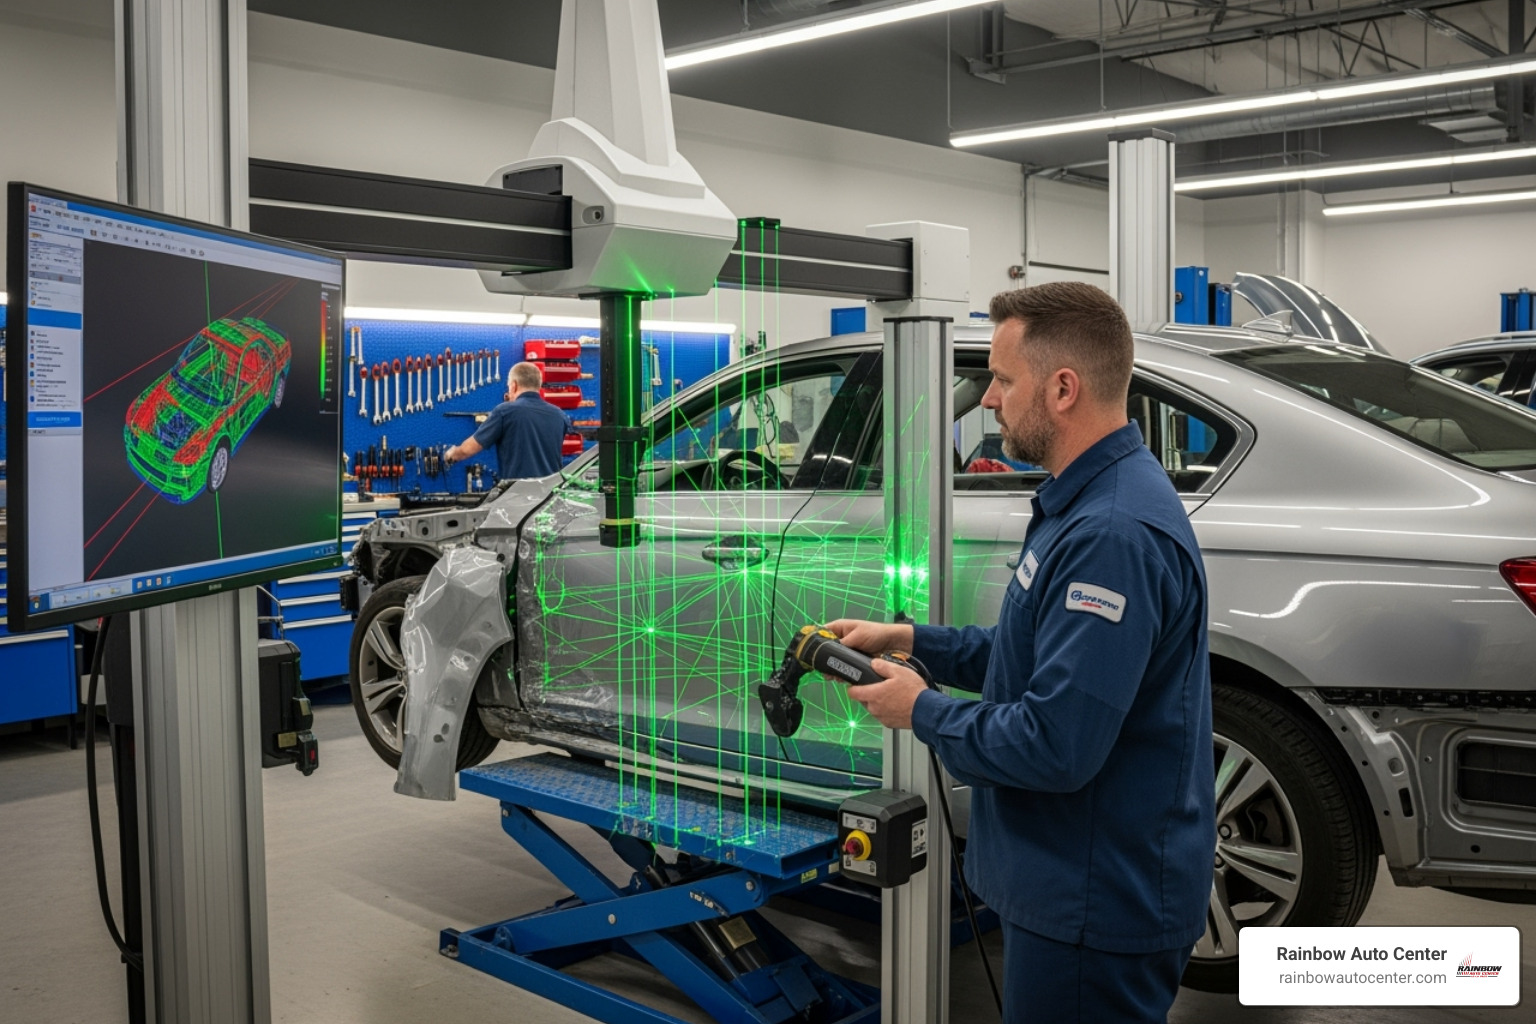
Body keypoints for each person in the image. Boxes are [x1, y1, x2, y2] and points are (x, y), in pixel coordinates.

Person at [829, 281, 1214, 1024]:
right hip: (1080, 877)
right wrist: (913, 642)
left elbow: (1056, 745)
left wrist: (922, 712)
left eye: (1004, 380)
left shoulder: (1110, 535)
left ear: (1062, 388)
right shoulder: (1091, 500)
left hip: (1091, 898)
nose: (988, 400)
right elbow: (1036, 654)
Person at [445, 361, 572, 480]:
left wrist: (451, 454)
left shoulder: (505, 411)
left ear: (513, 386)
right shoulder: (559, 415)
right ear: (538, 385)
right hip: (550, 494)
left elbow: (468, 450)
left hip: (517, 495)